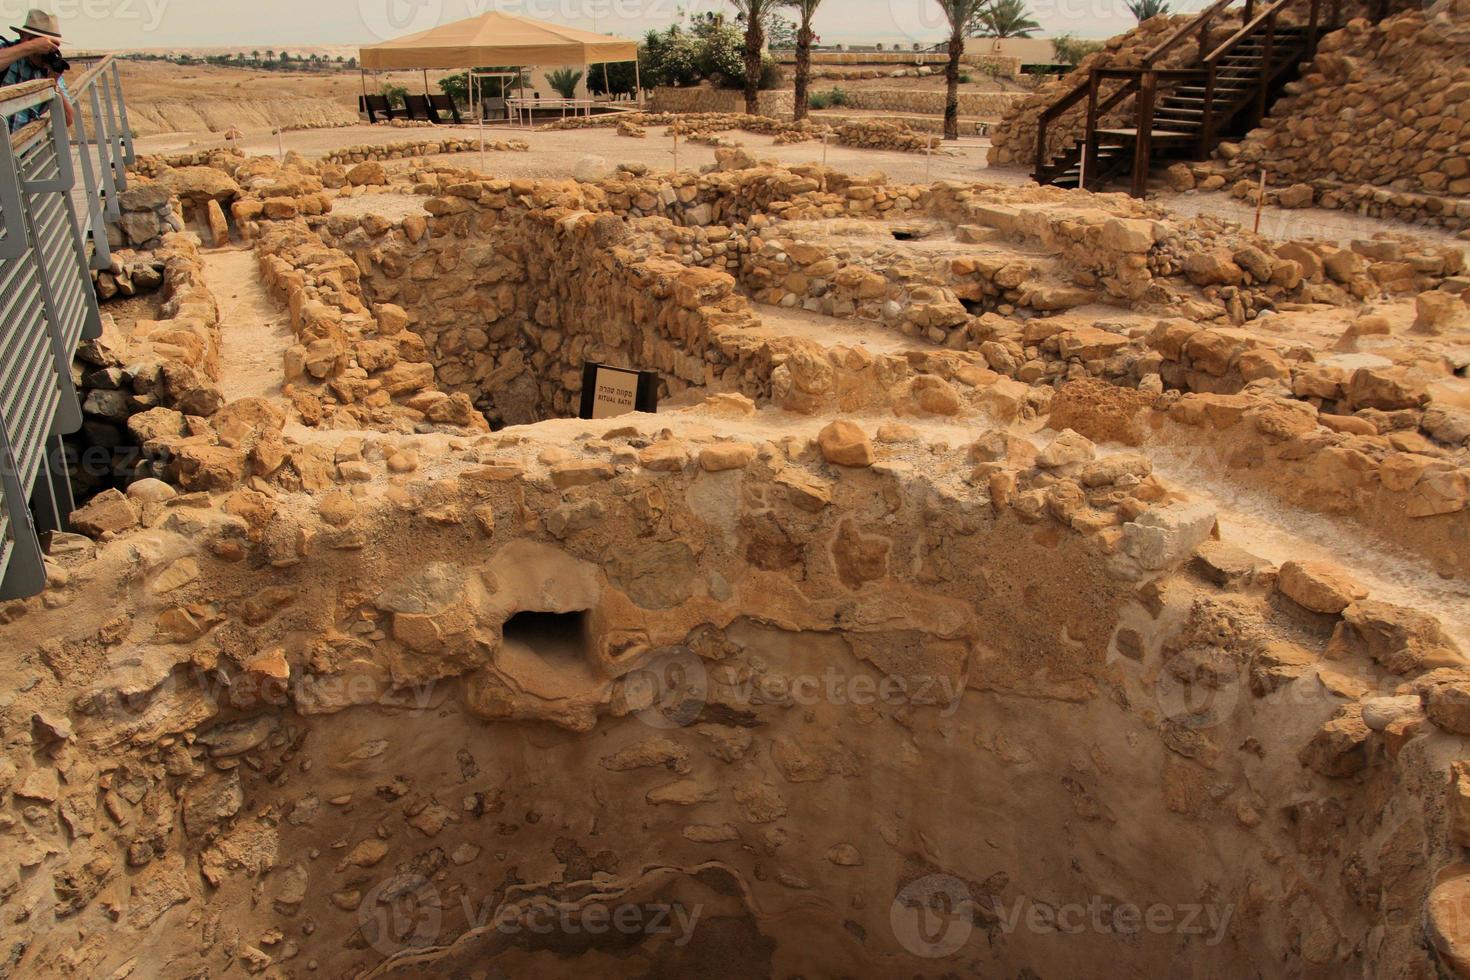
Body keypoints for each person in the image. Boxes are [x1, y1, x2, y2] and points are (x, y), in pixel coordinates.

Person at [1, 9, 75, 132]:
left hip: (24, 146)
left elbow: (67, 120)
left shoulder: (50, 69)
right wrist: (31, 47)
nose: (51, 51)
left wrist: (53, 82)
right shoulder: (6, 49)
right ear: (26, 39)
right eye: (47, 45)